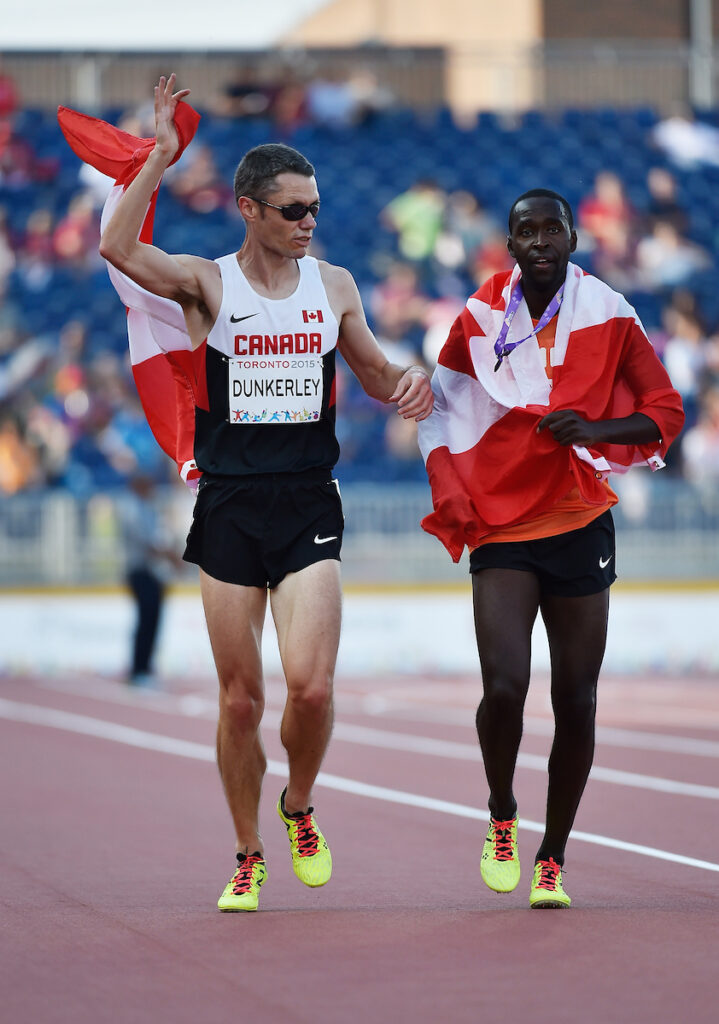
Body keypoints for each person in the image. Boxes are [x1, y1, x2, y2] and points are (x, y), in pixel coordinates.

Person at [98, 75, 433, 912]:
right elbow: (115, 248)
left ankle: (298, 805)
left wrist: (409, 379)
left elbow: (376, 372)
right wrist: (162, 161)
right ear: (249, 209)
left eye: (313, 208)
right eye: (292, 210)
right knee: (241, 698)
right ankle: (247, 850)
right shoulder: (208, 284)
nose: (308, 222)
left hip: (308, 498)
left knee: (312, 689)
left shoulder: (336, 287)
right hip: (230, 506)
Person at [418, 189, 684, 909]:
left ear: (572, 236)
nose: (538, 240)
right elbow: (439, 413)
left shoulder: (609, 312)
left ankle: (552, 856)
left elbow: (664, 412)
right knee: (503, 688)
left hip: (577, 520)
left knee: (576, 697)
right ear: (508, 243)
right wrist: (451, 486)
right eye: (524, 230)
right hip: (502, 524)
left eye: (550, 228)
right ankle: (502, 812)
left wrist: (594, 432)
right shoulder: (475, 317)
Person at [117, 471, 184, 686]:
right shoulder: (131, 508)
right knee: (146, 621)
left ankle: (145, 667)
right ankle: (139, 670)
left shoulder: (148, 508)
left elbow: (159, 537)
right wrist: (171, 556)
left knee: (153, 621)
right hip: (141, 571)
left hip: (153, 573)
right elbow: (146, 540)